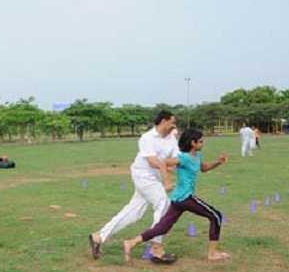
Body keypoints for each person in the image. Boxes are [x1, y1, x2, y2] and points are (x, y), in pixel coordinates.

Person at [123, 129, 230, 263]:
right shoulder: (183, 157)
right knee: (215, 216)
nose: (203, 143)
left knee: (162, 227)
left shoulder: (198, 155)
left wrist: (218, 162)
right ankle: (213, 253)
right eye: (201, 141)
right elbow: (162, 163)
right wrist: (166, 182)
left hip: (178, 199)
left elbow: (203, 168)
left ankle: (131, 243)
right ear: (193, 143)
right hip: (185, 197)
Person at [88, 110, 180, 263]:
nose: (174, 126)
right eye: (172, 122)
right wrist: (166, 180)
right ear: (163, 121)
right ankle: (156, 247)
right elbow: (153, 161)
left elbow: (175, 161)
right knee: (164, 204)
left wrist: (187, 170)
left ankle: (98, 237)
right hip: (143, 175)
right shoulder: (147, 138)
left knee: (134, 212)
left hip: (154, 177)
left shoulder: (171, 138)